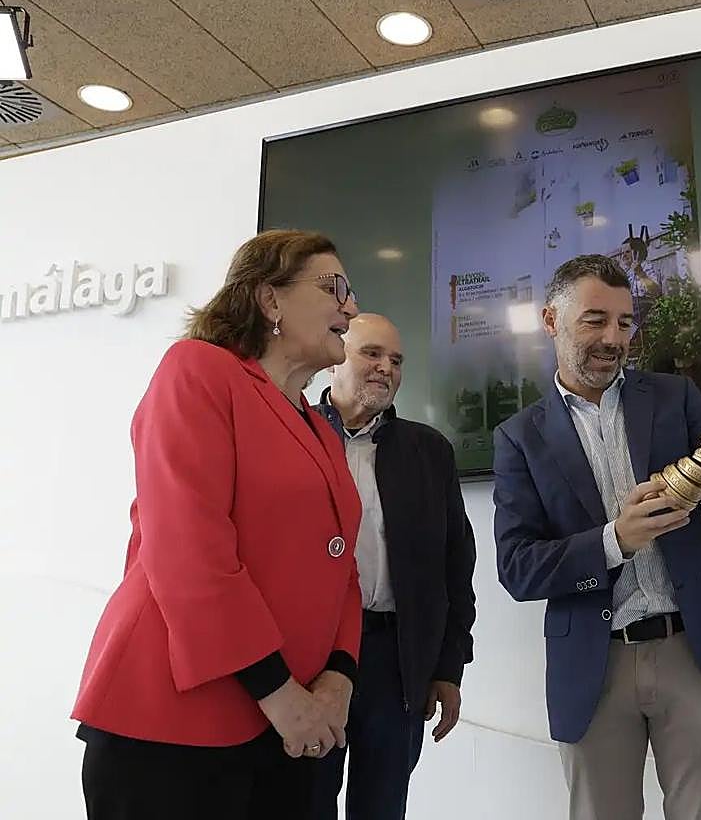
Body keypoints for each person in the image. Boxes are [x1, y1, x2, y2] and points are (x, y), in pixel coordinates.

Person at [492, 254, 701, 820]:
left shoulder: (674, 397)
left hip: (696, 650)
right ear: (551, 320)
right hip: (593, 666)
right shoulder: (519, 438)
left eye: (624, 322)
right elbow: (518, 568)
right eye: (595, 320)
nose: (614, 338)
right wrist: (614, 540)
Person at [72, 230, 365, 819]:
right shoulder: (198, 370)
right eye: (334, 287)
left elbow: (341, 570)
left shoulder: (319, 427)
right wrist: (280, 694)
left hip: (293, 730)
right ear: (270, 298)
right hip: (178, 723)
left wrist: (339, 676)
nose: (351, 307)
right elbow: (188, 551)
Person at [311, 313, 477, 819]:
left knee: (383, 807)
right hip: (311, 659)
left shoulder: (429, 451)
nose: (387, 368)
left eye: (397, 360)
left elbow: (455, 567)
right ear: (335, 358)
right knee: (304, 801)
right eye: (372, 354)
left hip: (396, 660)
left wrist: (449, 667)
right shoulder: (294, 435)